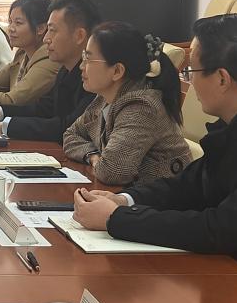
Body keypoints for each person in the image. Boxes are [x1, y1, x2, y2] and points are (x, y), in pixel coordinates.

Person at [73, 14, 237, 303]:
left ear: (222, 79)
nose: (188, 81)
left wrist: (116, 219)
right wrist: (123, 200)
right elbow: (188, 185)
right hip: (231, 278)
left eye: (192, 71)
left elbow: (223, 228)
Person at [63, 21, 190, 185]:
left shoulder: (142, 106)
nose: (82, 66)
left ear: (117, 71)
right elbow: (70, 135)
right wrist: (93, 156)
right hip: (126, 195)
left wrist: (99, 160)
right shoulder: (104, 97)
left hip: (161, 198)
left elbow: (111, 172)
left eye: (89, 58)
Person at [0, 0, 100, 142]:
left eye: (52, 30)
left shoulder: (95, 76)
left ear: (79, 36)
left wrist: (5, 126)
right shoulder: (66, 69)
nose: (46, 38)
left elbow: (68, 127)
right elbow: (43, 108)